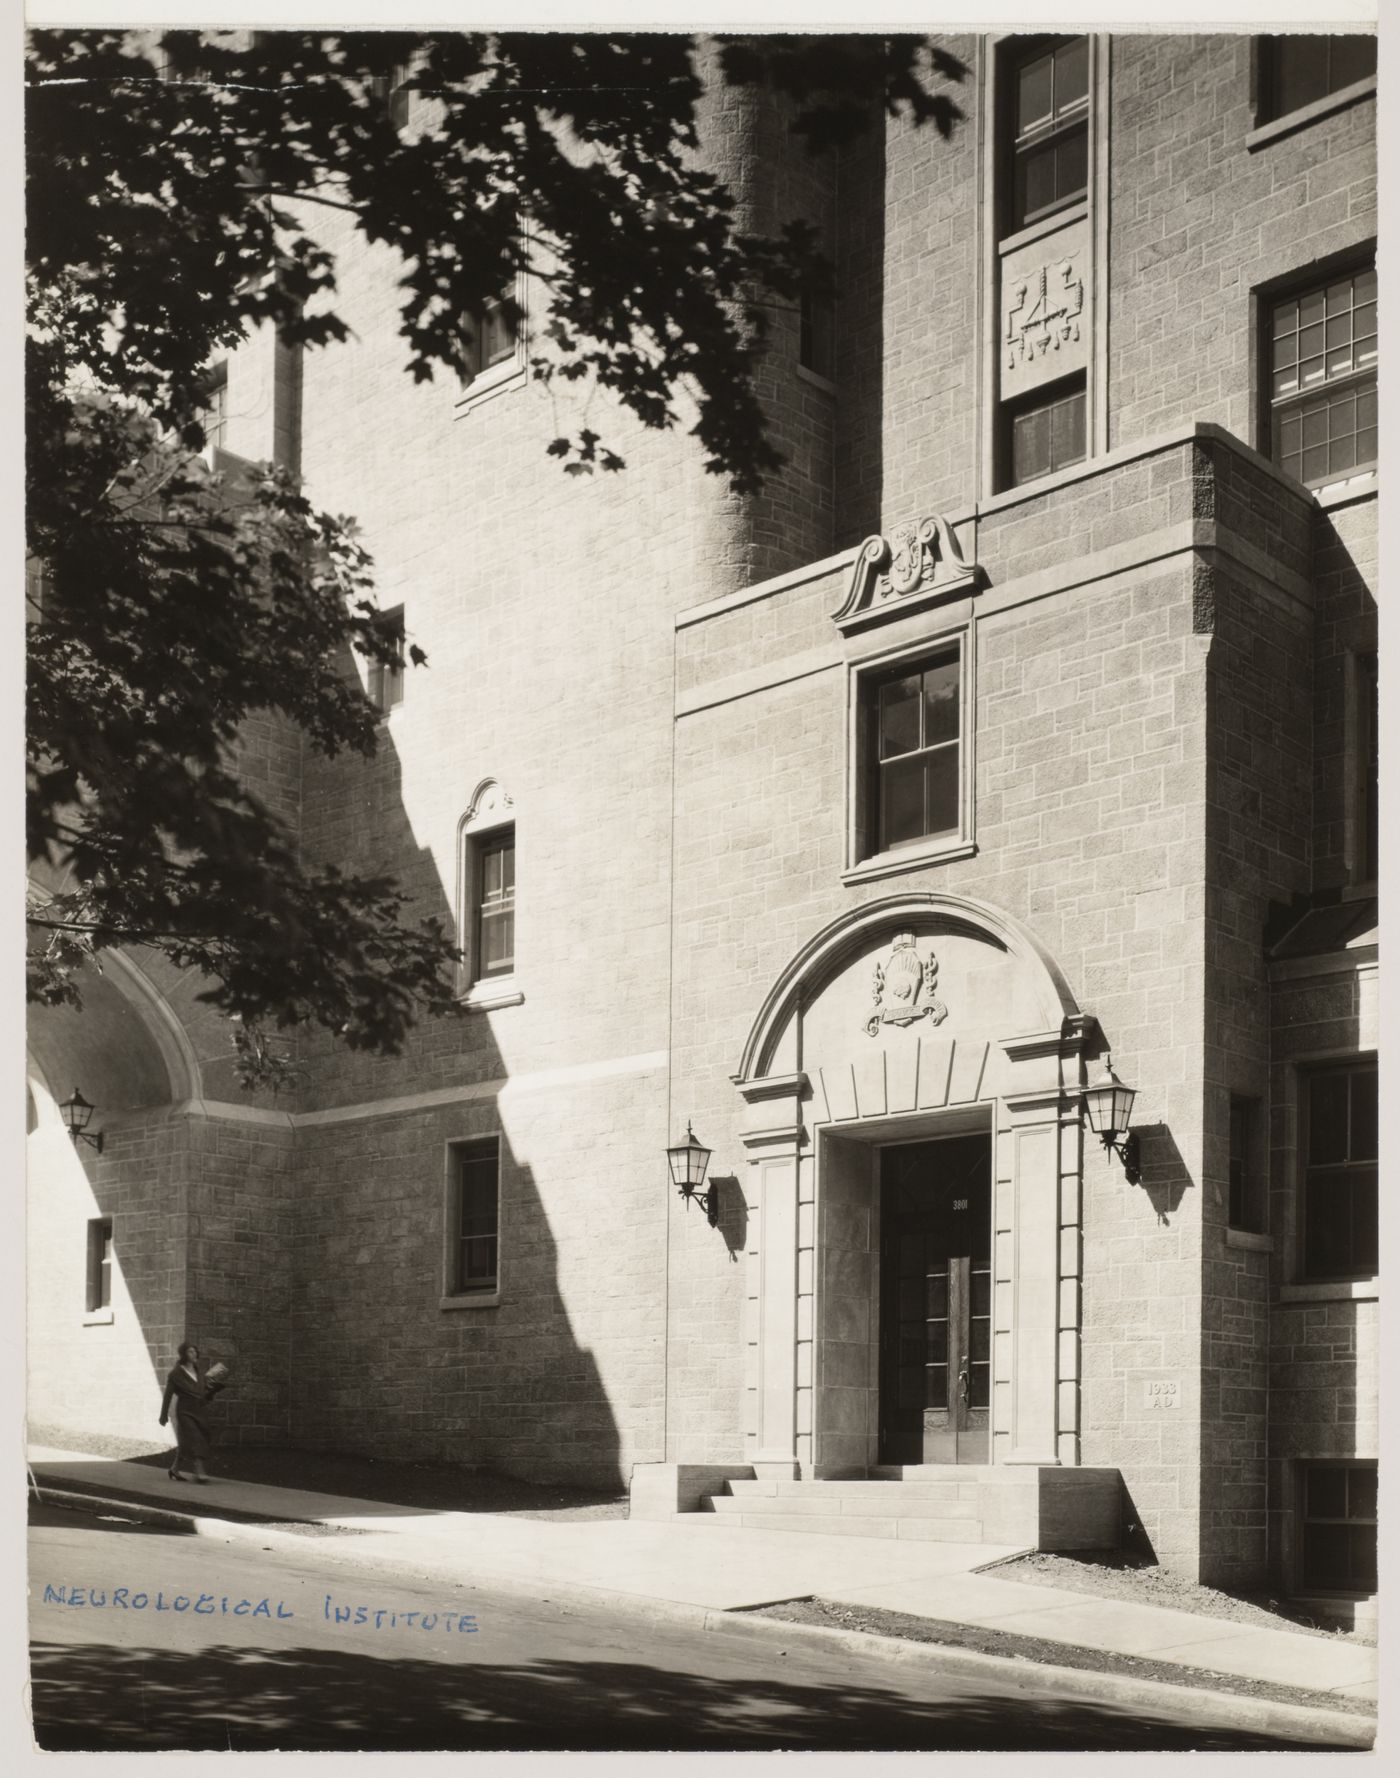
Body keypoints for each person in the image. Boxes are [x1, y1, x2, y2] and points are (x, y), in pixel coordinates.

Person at [159, 1341, 225, 1483]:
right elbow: (168, 1395)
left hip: (200, 1410)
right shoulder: (176, 1374)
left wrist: (214, 1389)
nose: (194, 1353)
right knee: (196, 1438)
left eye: (195, 1351)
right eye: (190, 1351)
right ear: (183, 1354)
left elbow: (203, 1394)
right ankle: (199, 1471)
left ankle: (174, 1469)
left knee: (189, 1440)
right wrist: (163, 1414)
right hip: (185, 1411)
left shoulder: (199, 1371)